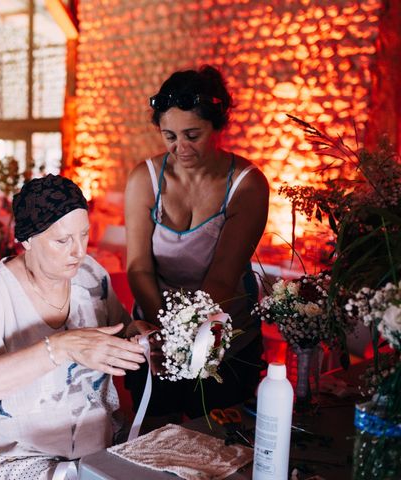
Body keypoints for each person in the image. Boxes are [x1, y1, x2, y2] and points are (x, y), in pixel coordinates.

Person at [0, 174, 146, 480]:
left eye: (84, 235)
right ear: (26, 240)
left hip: (97, 448)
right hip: (17, 457)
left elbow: (120, 334)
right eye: (63, 240)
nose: (78, 251)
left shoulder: (91, 275)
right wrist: (61, 347)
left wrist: (142, 337)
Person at [124, 65, 270, 425]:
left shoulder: (247, 185)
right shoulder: (144, 178)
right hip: (156, 329)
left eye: (193, 134)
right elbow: (138, 266)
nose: (181, 148)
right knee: (153, 440)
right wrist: (163, 335)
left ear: (219, 126)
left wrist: (190, 339)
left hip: (226, 339)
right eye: (169, 135)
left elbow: (222, 276)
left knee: (218, 446)